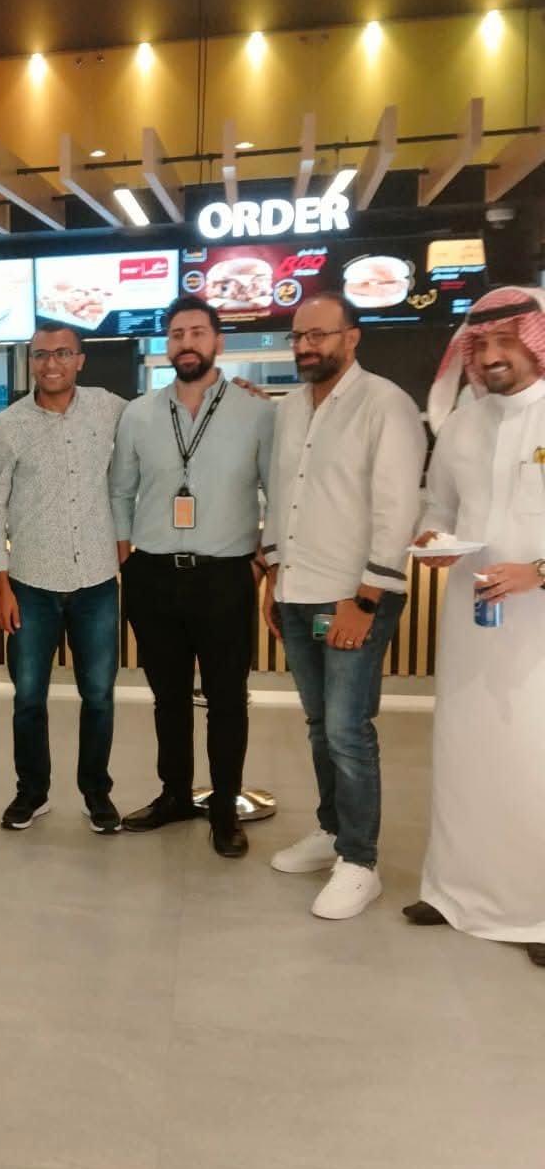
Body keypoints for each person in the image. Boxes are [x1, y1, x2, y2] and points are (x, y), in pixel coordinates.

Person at [261, 291, 425, 918]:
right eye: (297, 336)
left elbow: (397, 509)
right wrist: (274, 577)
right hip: (298, 592)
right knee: (317, 723)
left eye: (319, 335)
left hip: (352, 596)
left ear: (351, 337)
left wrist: (366, 598)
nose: (305, 346)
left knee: (347, 730)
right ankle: (332, 830)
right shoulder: (289, 410)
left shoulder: (386, 404)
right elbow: (281, 496)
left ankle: (360, 861)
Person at [404, 285, 545, 966]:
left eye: (506, 340)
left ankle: (536, 912)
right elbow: (438, 505)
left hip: (537, 633)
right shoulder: (461, 424)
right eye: (480, 343)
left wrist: (538, 572)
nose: (491, 356)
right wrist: (432, 540)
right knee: (464, 755)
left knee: (530, 763)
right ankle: (452, 889)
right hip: (471, 619)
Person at [110, 295, 274, 858]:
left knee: (227, 700)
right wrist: (127, 555)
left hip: (225, 576)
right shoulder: (138, 414)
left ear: (217, 342)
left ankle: (224, 809)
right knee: (168, 698)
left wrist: (262, 559)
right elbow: (120, 490)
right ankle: (175, 795)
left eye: (198, 332)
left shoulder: (257, 412)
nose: (187, 343)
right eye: (177, 334)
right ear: (167, 344)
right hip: (153, 576)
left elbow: (278, 491)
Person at [0, 324, 125, 834]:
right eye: (41, 354)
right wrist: (0, 586)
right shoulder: (8, 426)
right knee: (27, 698)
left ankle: (96, 793)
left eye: (63, 353)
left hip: (96, 582)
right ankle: (32, 792)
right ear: (31, 361)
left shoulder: (110, 409)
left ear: (80, 360)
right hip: (29, 584)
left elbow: (162, 419)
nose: (51, 364)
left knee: (100, 696)